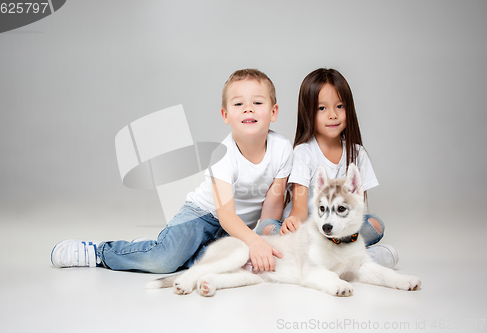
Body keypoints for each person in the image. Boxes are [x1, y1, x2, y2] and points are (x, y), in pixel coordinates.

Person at [51, 69, 293, 273]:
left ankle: (167, 247)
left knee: (226, 263)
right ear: (225, 115)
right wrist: (253, 241)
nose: (248, 109)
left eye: (257, 103)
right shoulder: (222, 155)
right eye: (239, 104)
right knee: (164, 261)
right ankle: (101, 252)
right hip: (202, 215)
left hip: (239, 226)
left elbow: (272, 205)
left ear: (273, 111)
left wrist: (267, 235)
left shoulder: (282, 149)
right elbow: (226, 216)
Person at [255, 68, 399, 268]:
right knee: (267, 228)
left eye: (339, 106)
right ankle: (355, 261)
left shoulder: (358, 154)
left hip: (340, 229)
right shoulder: (304, 152)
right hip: (308, 229)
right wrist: (293, 222)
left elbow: (357, 208)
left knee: (375, 225)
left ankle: (327, 261)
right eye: (322, 108)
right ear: (308, 112)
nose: (332, 115)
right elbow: (299, 207)